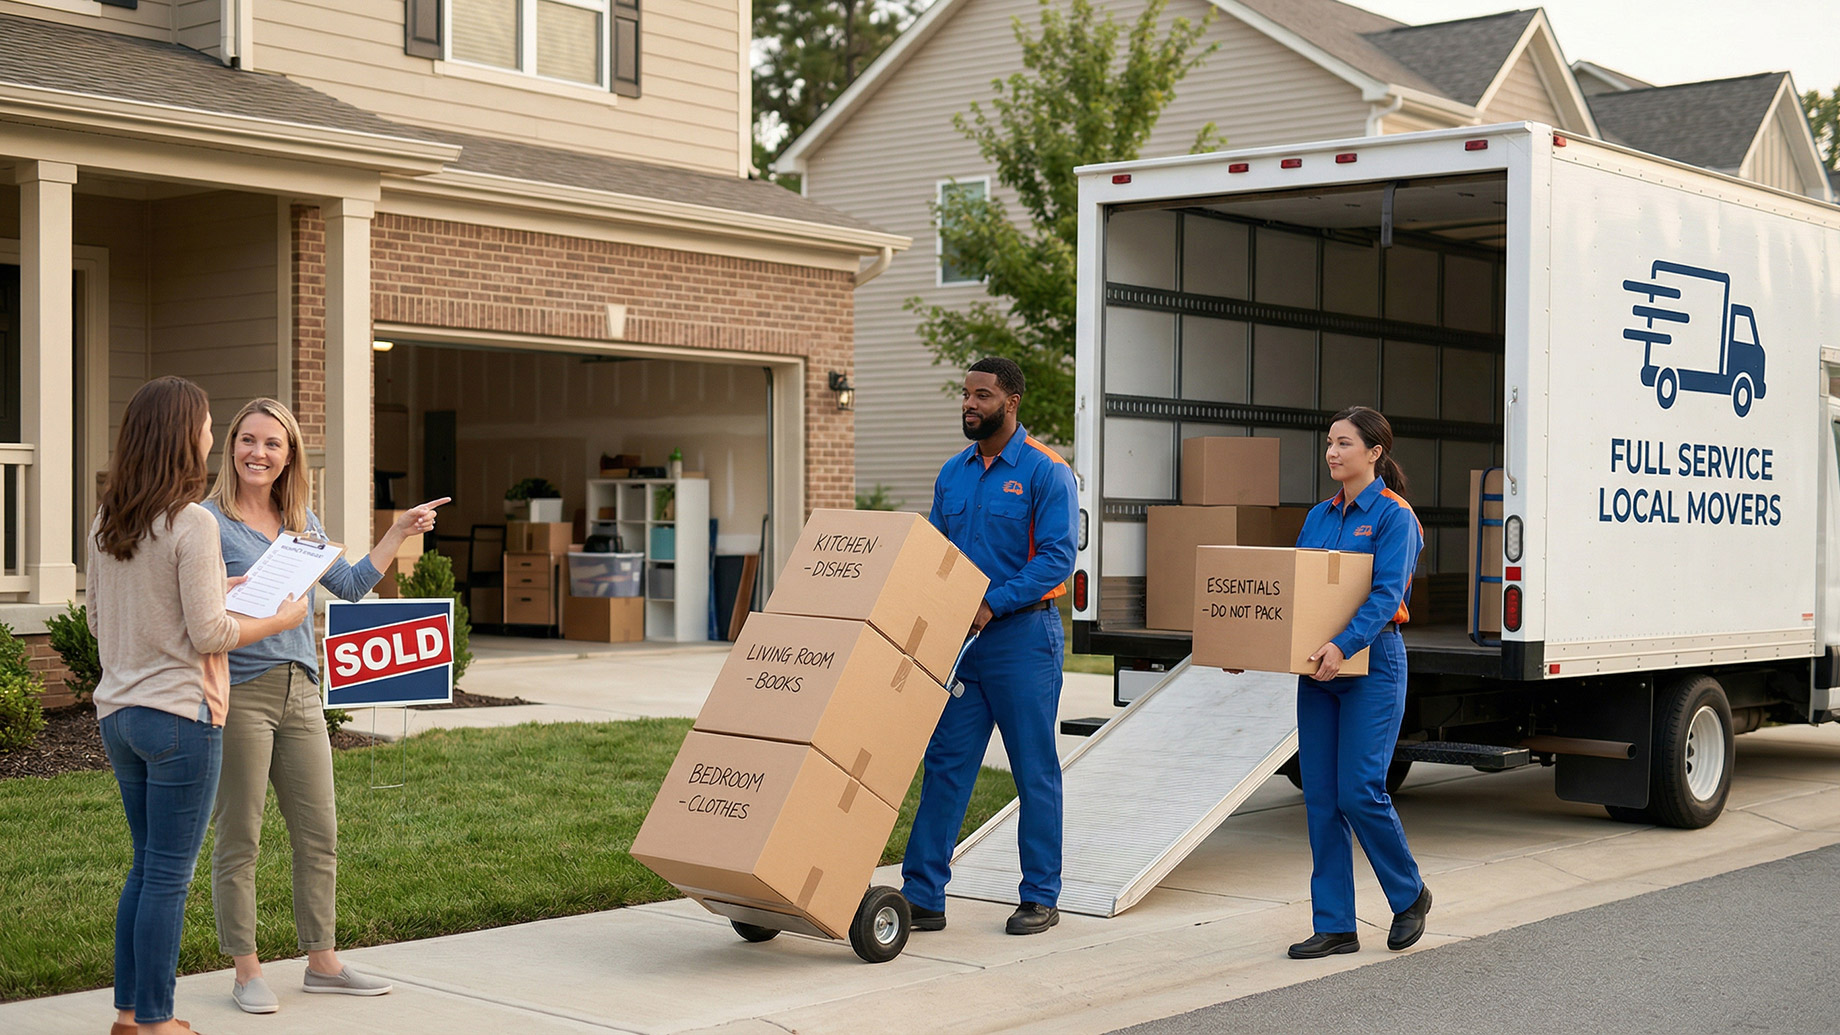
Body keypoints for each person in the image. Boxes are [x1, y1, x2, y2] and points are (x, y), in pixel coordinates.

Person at [200, 397, 444, 1014]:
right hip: (242, 689)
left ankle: (322, 962)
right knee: (241, 837)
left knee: (319, 833)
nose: (259, 453)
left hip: (302, 691)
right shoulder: (206, 522)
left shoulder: (300, 521)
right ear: (231, 447)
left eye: (272, 444)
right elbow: (196, 613)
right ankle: (246, 970)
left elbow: (355, 587)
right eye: (248, 440)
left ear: (289, 457)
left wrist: (399, 529)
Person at [88, 376, 310, 1035]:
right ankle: (157, 1021)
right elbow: (212, 633)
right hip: (182, 717)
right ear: (185, 435)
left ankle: (128, 1014)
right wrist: (284, 615)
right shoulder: (192, 521)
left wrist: (224, 582)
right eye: (210, 424)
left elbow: (102, 619)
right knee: (167, 876)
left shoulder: (109, 518)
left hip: (119, 716)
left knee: (143, 864)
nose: (214, 434)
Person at [901, 357, 1078, 936]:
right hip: (962, 645)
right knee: (946, 767)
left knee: (1034, 771)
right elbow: (936, 552)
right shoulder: (952, 473)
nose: (969, 405)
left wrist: (990, 602)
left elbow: (1057, 557)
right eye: (965, 395)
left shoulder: (1046, 471)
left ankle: (1039, 896)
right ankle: (922, 896)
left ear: (1012, 401)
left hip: (1023, 639)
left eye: (981, 395)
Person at [1285, 406, 1432, 959]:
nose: (1332, 452)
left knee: (1359, 791)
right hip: (1317, 670)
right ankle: (1336, 925)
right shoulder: (1319, 516)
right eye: (1329, 443)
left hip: (1371, 664)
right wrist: (1258, 645)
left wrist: (1342, 646)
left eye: (1344, 444)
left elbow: (1386, 597)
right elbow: (1296, 590)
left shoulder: (1396, 518)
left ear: (1374, 453)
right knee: (1321, 797)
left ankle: (1409, 894)